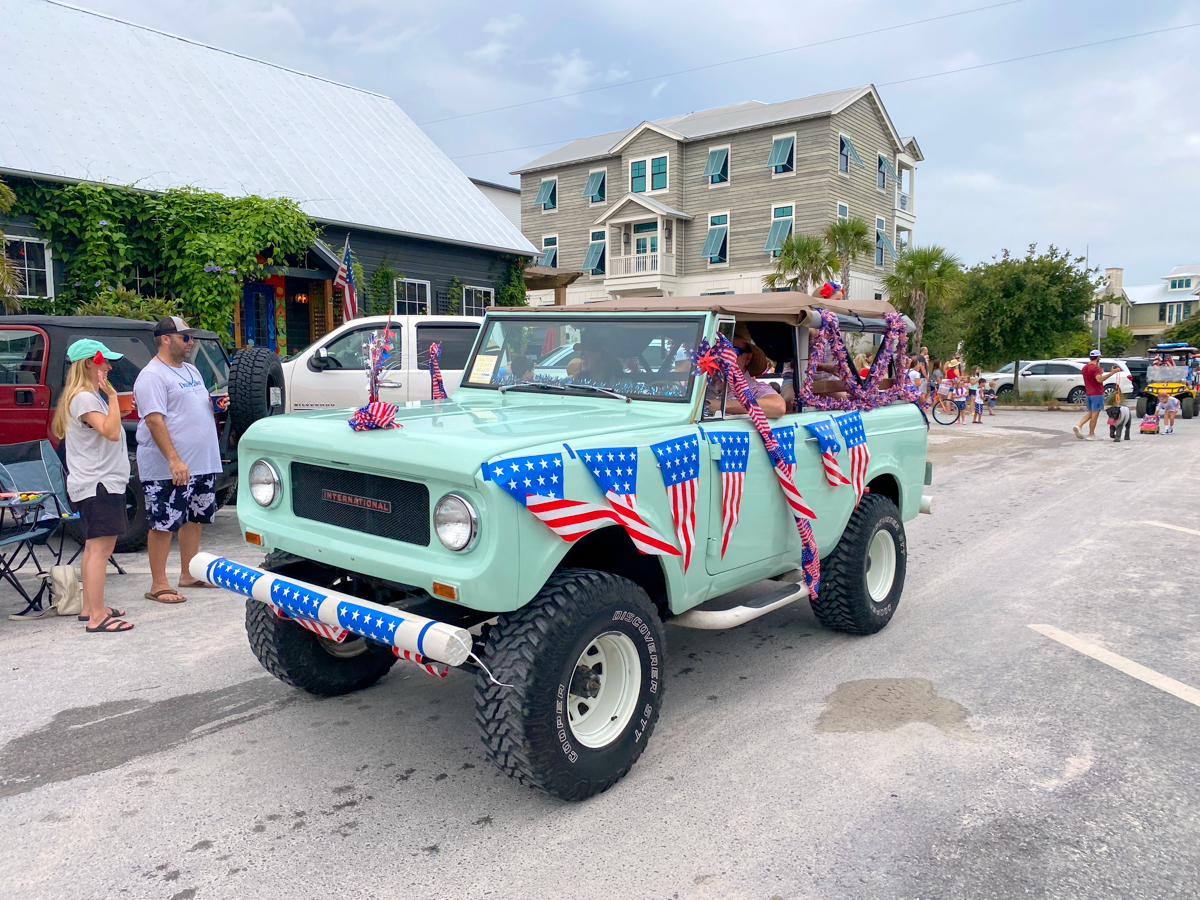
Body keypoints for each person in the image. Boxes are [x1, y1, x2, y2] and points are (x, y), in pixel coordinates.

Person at [133, 316, 222, 604]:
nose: (191, 341)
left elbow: (193, 405)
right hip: (168, 467)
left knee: (194, 518)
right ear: (165, 338)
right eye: (185, 337)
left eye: (191, 336)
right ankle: (159, 584)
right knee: (163, 521)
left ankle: (189, 572)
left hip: (201, 462)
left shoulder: (192, 370)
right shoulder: (152, 376)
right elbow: (155, 420)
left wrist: (215, 404)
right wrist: (173, 459)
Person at [51, 341, 134, 633]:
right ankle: (98, 616)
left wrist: (112, 406)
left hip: (93, 482)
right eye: (105, 362)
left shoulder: (82, 397)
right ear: (89, 363)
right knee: (101, 549)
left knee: (93, 547)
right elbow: (110, 433)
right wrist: (113, 398)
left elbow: (102, 431)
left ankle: (91, 607)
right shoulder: (86, 398)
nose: (109, 367)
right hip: (100, 484)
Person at [708, 336, 786, 419]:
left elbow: (778, 406)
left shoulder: (755, 389)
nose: (725, 356)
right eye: (720, 350)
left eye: (734, 351)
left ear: (748, 358)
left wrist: (722, 405)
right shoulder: (701, 385)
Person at [1072, 349, 1121, 440]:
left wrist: (1100, 373)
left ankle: (1079, 426)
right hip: (1097, 393)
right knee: (1095, 414)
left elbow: (1091, 377)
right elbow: (1099, 379)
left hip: (1089, 393)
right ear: (1098, 357)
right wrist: (1111, 373)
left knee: (1090, 413)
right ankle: (1091, 434)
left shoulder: (1085, 368)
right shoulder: (1096, 368)